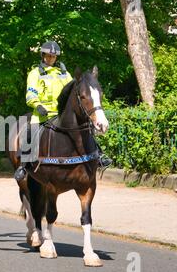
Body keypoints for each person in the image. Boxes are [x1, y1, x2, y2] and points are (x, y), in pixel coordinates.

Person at [14, 40, 112, 182]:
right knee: (31, 131)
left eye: (53, 57)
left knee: (85, 127)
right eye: (48, 56)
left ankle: (99, 155)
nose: (51, 59)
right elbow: (31, 93)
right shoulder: (35, 73)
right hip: (43, 114)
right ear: (42, 55)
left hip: (62, 114)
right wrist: (38, 105)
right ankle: (23, 165)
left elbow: (73, 91)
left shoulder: (63, 73)